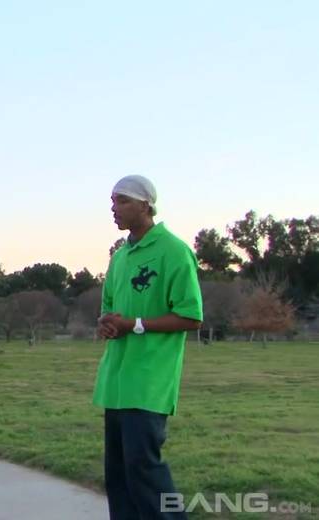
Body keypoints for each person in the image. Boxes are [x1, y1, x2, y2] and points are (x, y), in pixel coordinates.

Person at [93, 175, 203, 520]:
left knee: (144, 471)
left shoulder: (174, 251)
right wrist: (107, 324)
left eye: (122, 201)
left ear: (146, 205)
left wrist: (136, 324)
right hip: (116, 383)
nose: (114, 208)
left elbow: (191, 316)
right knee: (118, 477)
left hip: (149, 381)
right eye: (113, 201)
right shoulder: (120, 257)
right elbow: (109, 309)